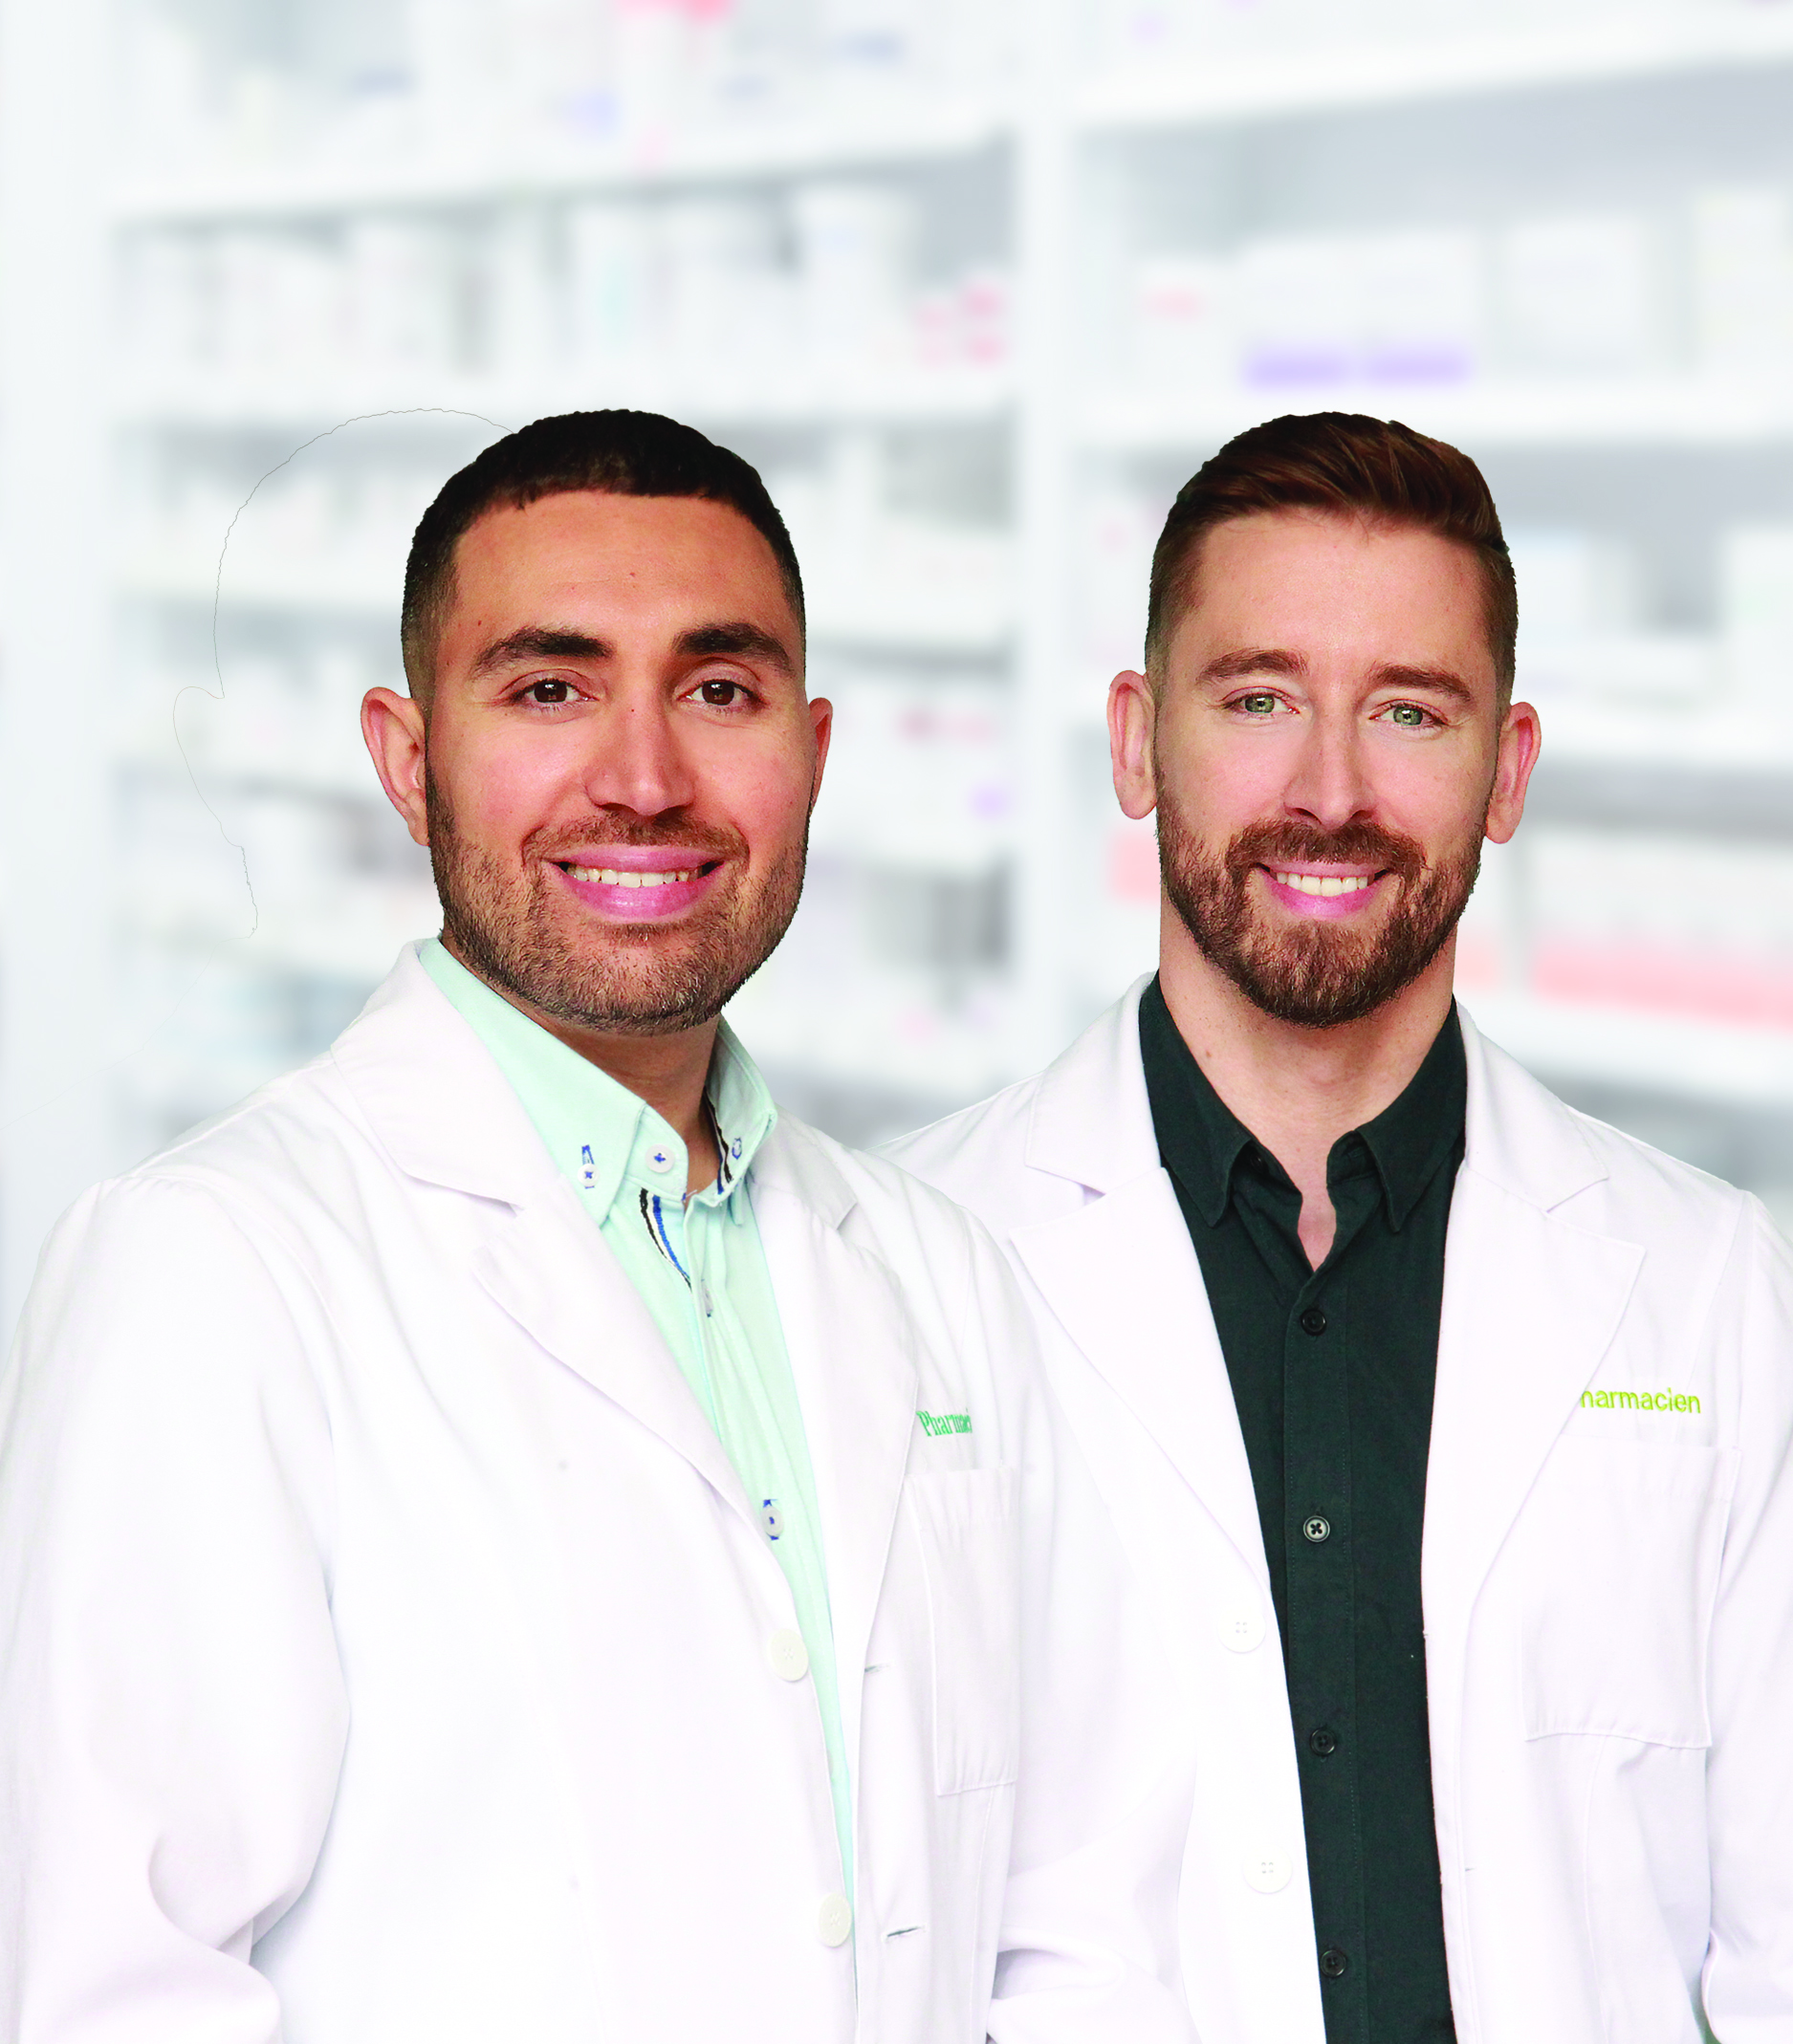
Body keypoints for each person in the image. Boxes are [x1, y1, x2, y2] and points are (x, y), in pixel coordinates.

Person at [0, 411, 1188, 2044]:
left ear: (812, 750)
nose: (643, 778)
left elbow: (1078, 1930)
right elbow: (122, 1994)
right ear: (407, 757)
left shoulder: (938, 1275)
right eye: (550, 688)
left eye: (719, 689)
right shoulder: (213, 1270)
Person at [890, 411, 1793, 2044]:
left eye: (1407, 711)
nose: (1328, 792)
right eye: (1256, 699)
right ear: (1134, 743)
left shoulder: (1714, 1288)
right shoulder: (900, 1267)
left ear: (1506, 770)